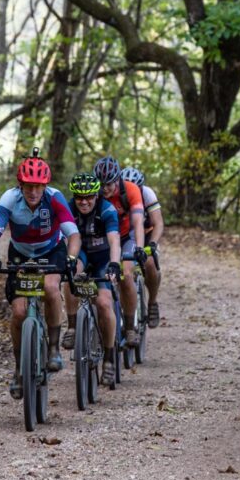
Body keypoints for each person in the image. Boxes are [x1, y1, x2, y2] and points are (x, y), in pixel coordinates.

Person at [0, 148, 81, 399]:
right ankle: (19, 369)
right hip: (21, 254)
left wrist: (71, 259)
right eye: (29, 186)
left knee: (50, 288)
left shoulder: (55, 197)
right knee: (18, 312)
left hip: (51, 250)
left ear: (45, 185)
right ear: (21, 184)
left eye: (38, 186)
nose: (34, 191)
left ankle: (52, 349)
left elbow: (73, 234)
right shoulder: (9, 198)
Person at [60, 172, 120, 386]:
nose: (84, 202)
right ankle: (73, 325)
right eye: (79, 197)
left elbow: (114, 241)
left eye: (88, 197)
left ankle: (110, 357)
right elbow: (62, 239)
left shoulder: (107, 210)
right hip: (82, 254)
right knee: (70, 274)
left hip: (104, 257)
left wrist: (114, 263)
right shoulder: (67, 208)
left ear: (96, 196)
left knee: (104, 303)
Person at [92, 155, 145, 348]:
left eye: (109, 184)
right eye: (101, 184)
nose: (105, 188)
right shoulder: (94, 192)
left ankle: (130, 328)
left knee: (126, 273)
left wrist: (139, 247)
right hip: (105, 238)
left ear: (118, 179)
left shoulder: (130, 190)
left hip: (126, 237)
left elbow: (138, 222)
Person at [121, 166, 164, 327]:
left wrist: (152, 244)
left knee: (150, 263)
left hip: (145, 234)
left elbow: (158, 223)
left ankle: (152, 302)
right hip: (125, 235)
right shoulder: (117, 194)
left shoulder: (147, 194)